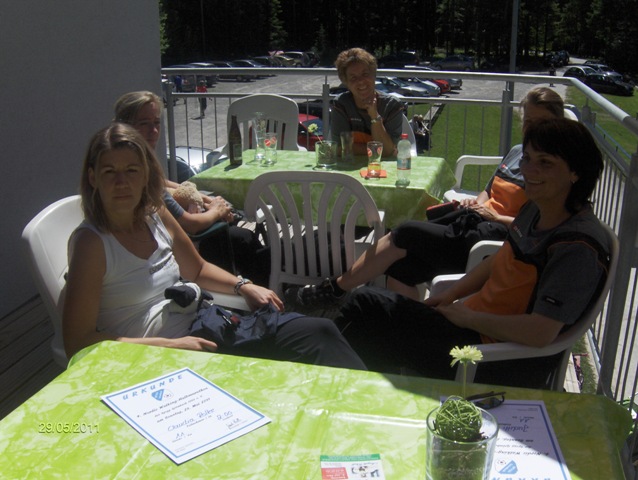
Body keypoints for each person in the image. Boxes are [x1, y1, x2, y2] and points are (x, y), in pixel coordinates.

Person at [62, 123, 366, 371]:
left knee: (320, 333)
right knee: (298, 363)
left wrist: (243, 285)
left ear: (145, 176)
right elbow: (78, 342)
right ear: (93, 178)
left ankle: (372, 409)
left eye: (131, 170)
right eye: (109, 172)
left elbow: (196, 269)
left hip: (207, 324)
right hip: (158, 358)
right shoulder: (93, 243)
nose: (121, 182)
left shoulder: (154, 214)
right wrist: (170, 346)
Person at [335, 118, 609, 388]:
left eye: (545, 162)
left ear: (576, 172)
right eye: (527, 159)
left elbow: (540, 332)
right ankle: (367, 388)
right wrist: (449, 296)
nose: (528, 170)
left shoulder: (576, 247)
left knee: (364, 306)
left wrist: (469, 318)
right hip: (473, 329)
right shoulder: (536, 209)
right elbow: (497, 262)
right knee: (375, 317)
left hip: (493, 360)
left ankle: (340, 387)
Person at [291, 87, 566, 305]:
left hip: (494, 240)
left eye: (540, 122)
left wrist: (496, 216)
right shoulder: (518, 152)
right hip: (474, 220)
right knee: (399, 269)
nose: (531, 128)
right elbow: (488, 190)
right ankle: (414, 323)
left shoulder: (555, 168)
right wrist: (477, 203)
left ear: (557, 123)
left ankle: (335, 289)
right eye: (527, 121)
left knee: (405, 231)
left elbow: (542, 227)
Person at [114, 91, 270, 286]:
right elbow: (191, 224)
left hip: (174, 237)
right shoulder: (137, 170)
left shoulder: (142, 159)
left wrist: (209, 201)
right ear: (126, 126)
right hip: (177, 247)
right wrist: (216, 210)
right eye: (144, 123)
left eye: (156, 122)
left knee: (242, 237)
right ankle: (266, 287)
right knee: (242, 239)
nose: (153, 130)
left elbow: (163, 183)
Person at [330, 48, 404, 157]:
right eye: (353, 78)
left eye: (365, 74)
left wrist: (375, 117)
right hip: (349, 164)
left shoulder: (392, 105)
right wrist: (376, 150)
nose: (360, 81)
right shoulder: (341, 104)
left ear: (374, 75)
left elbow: (388, 152)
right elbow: (338, 148)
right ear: (346, 82)